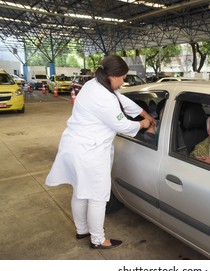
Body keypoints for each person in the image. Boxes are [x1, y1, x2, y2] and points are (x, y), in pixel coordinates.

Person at [45, 55, 156, 249]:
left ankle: (82, 230)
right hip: (90, 151)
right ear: (113, 76)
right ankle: (98, 239)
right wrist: (144, 123)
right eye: (122, 77)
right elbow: (122, 125)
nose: (124, 81)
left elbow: (121, 99)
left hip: (75, 146)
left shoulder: (94, 84)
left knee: (80, 192)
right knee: (97, 197)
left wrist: (144, 112)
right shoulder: (103, 97)